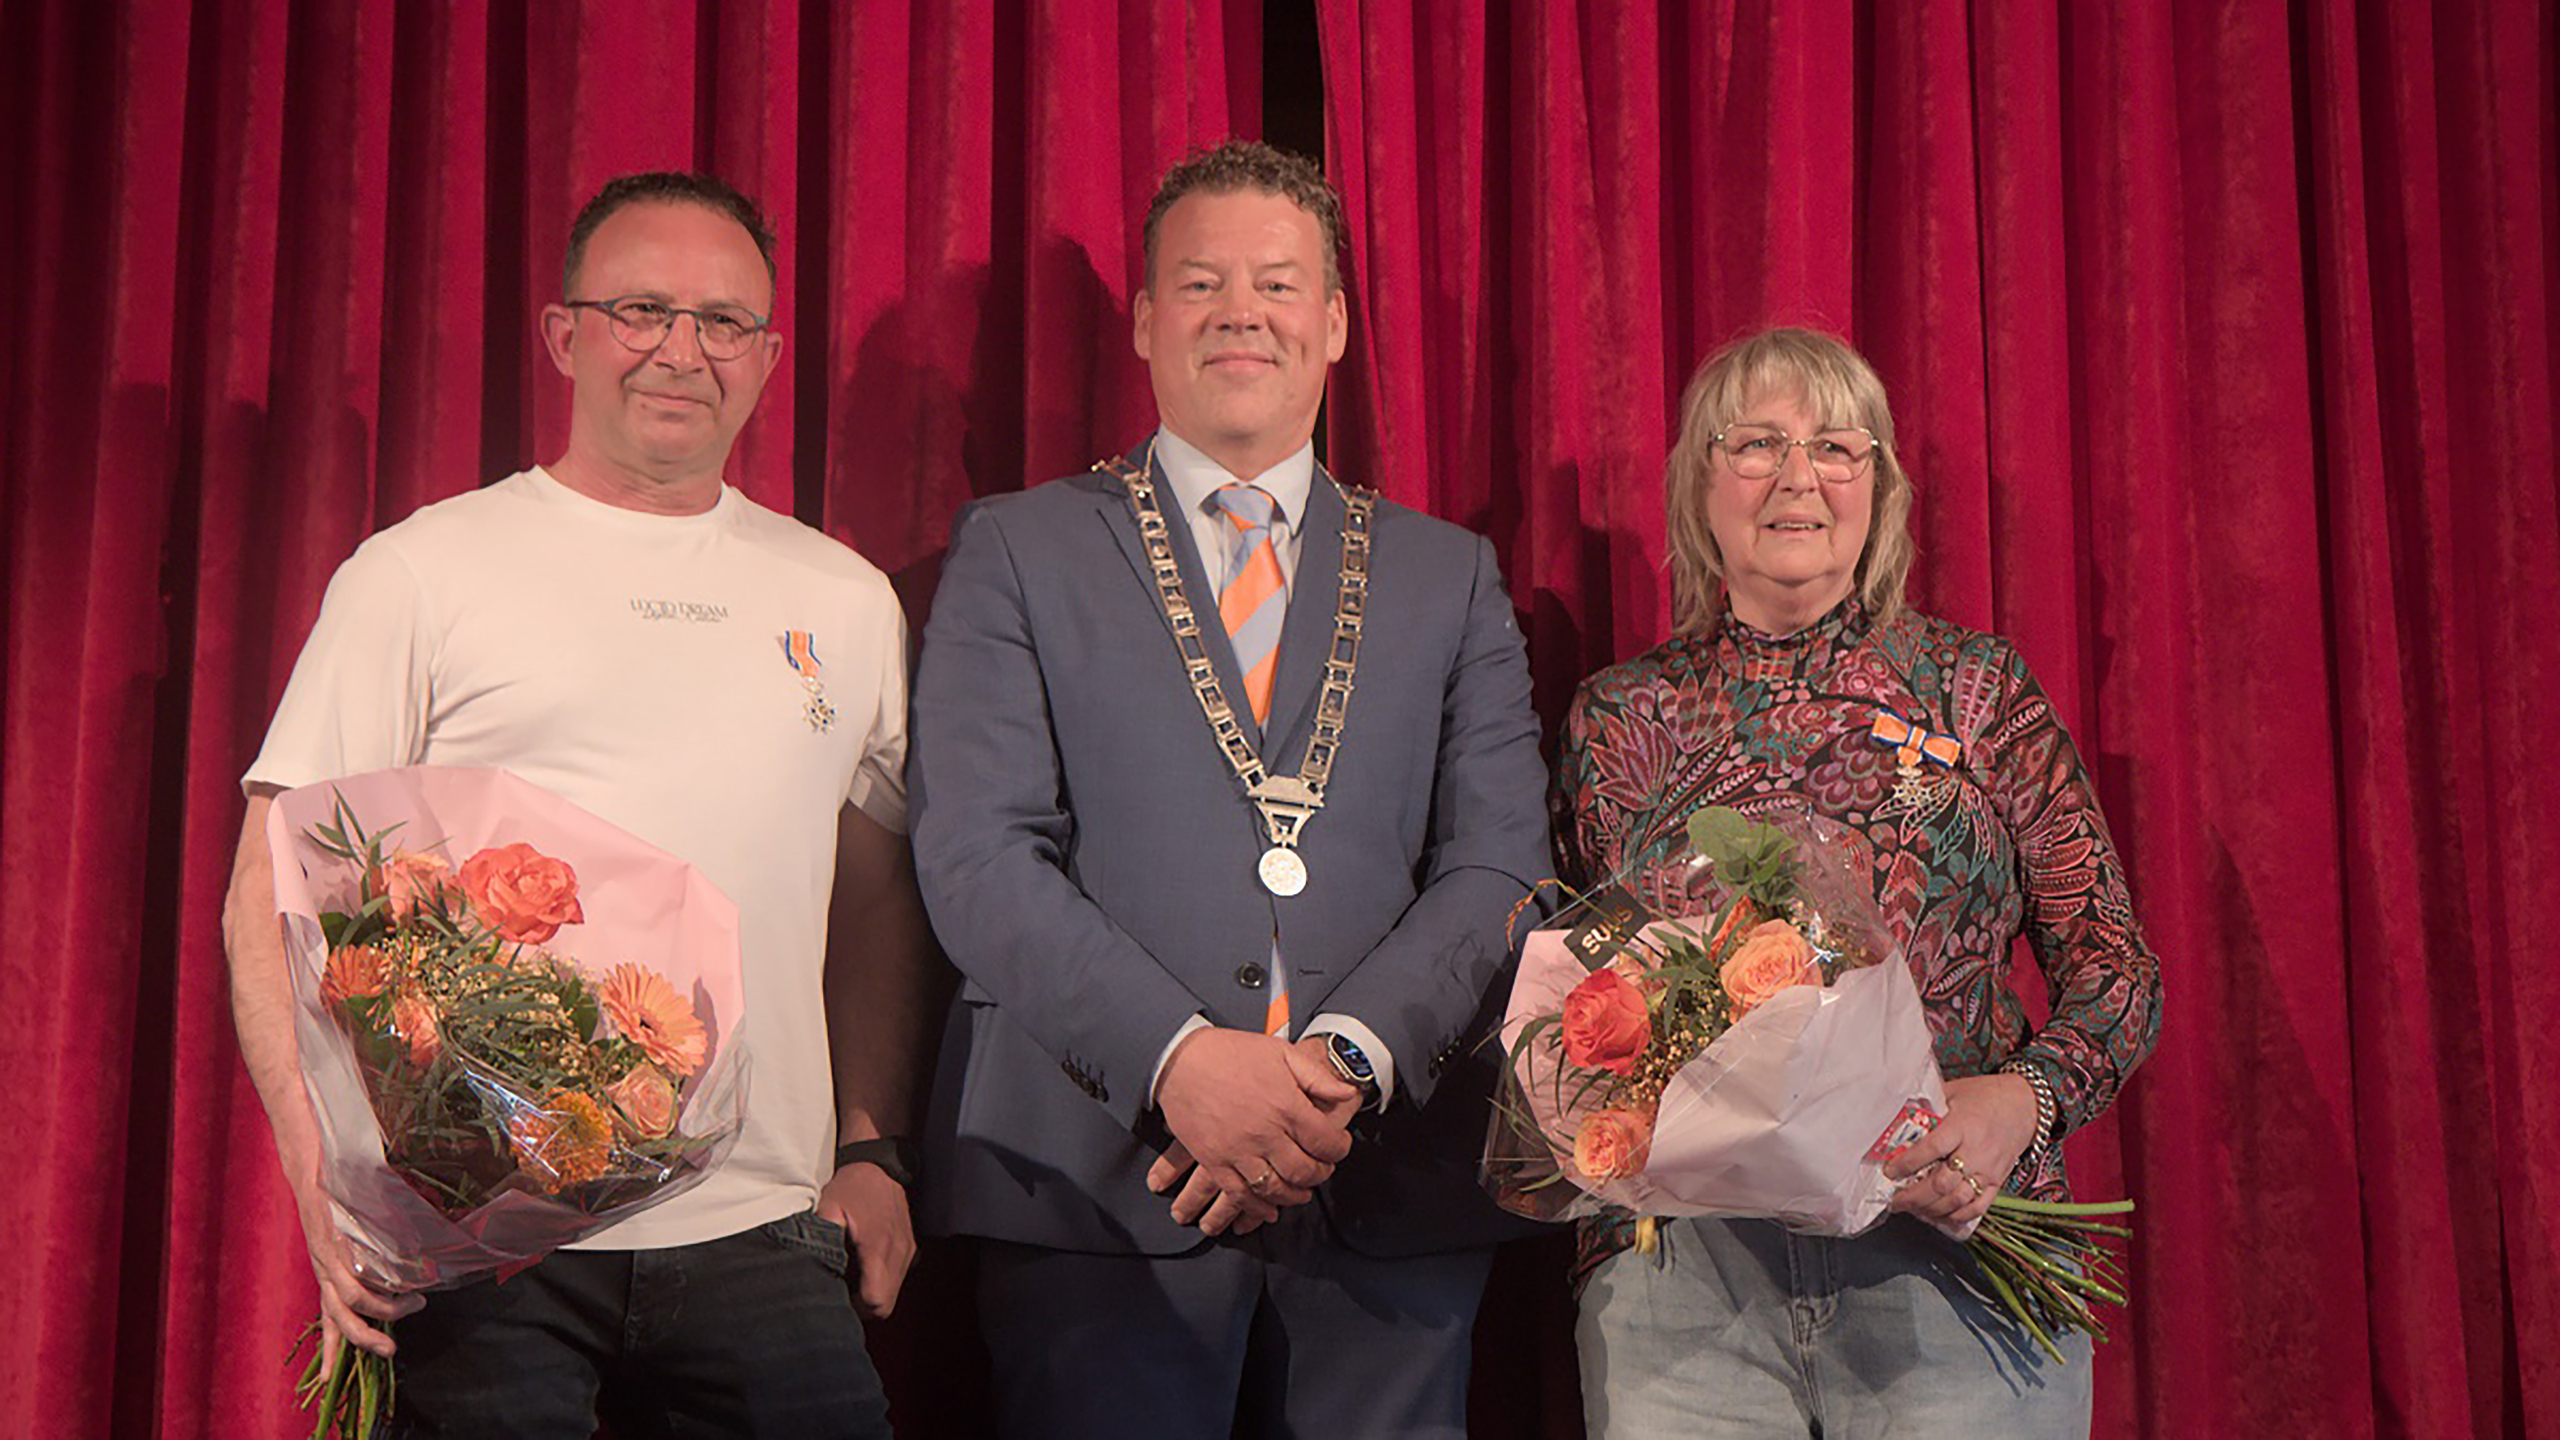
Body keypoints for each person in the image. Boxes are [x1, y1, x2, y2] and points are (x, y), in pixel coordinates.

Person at [221, 172, 934, 1439]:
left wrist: (869, 1152)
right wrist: (323, 1171)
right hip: (483, 1238)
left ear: (768, 359)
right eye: (641, 309)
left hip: (764, 1228)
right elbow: (274, 884)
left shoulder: (844, 600)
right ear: (563, 335)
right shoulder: (423, 573)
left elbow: (876, 903)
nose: (681, 351)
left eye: (723, 323)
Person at [909, 139, 1549, 1439]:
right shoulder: (1020, 548)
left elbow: (1499, 866)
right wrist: (1183, 1063)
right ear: (1145, 324)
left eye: (1275, 283)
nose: (1240, 311)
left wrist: (1341, 1068)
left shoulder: (1450, 575)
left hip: (1389, 1189)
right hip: (1096, 1184)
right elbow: (978, 855)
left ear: (1334, 323)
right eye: (1200, 285)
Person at [1555, 326, 2164, 1436]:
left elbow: (2117, 974)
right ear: (1700, 484)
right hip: (1689, 1295)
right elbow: (1583, 1011)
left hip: (1956, 1266)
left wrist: (2010, 1105)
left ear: (1879, 490)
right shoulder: (1612, 721)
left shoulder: (1975, 692)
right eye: (1756, 445)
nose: (1797, 477)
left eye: (1837, 447)